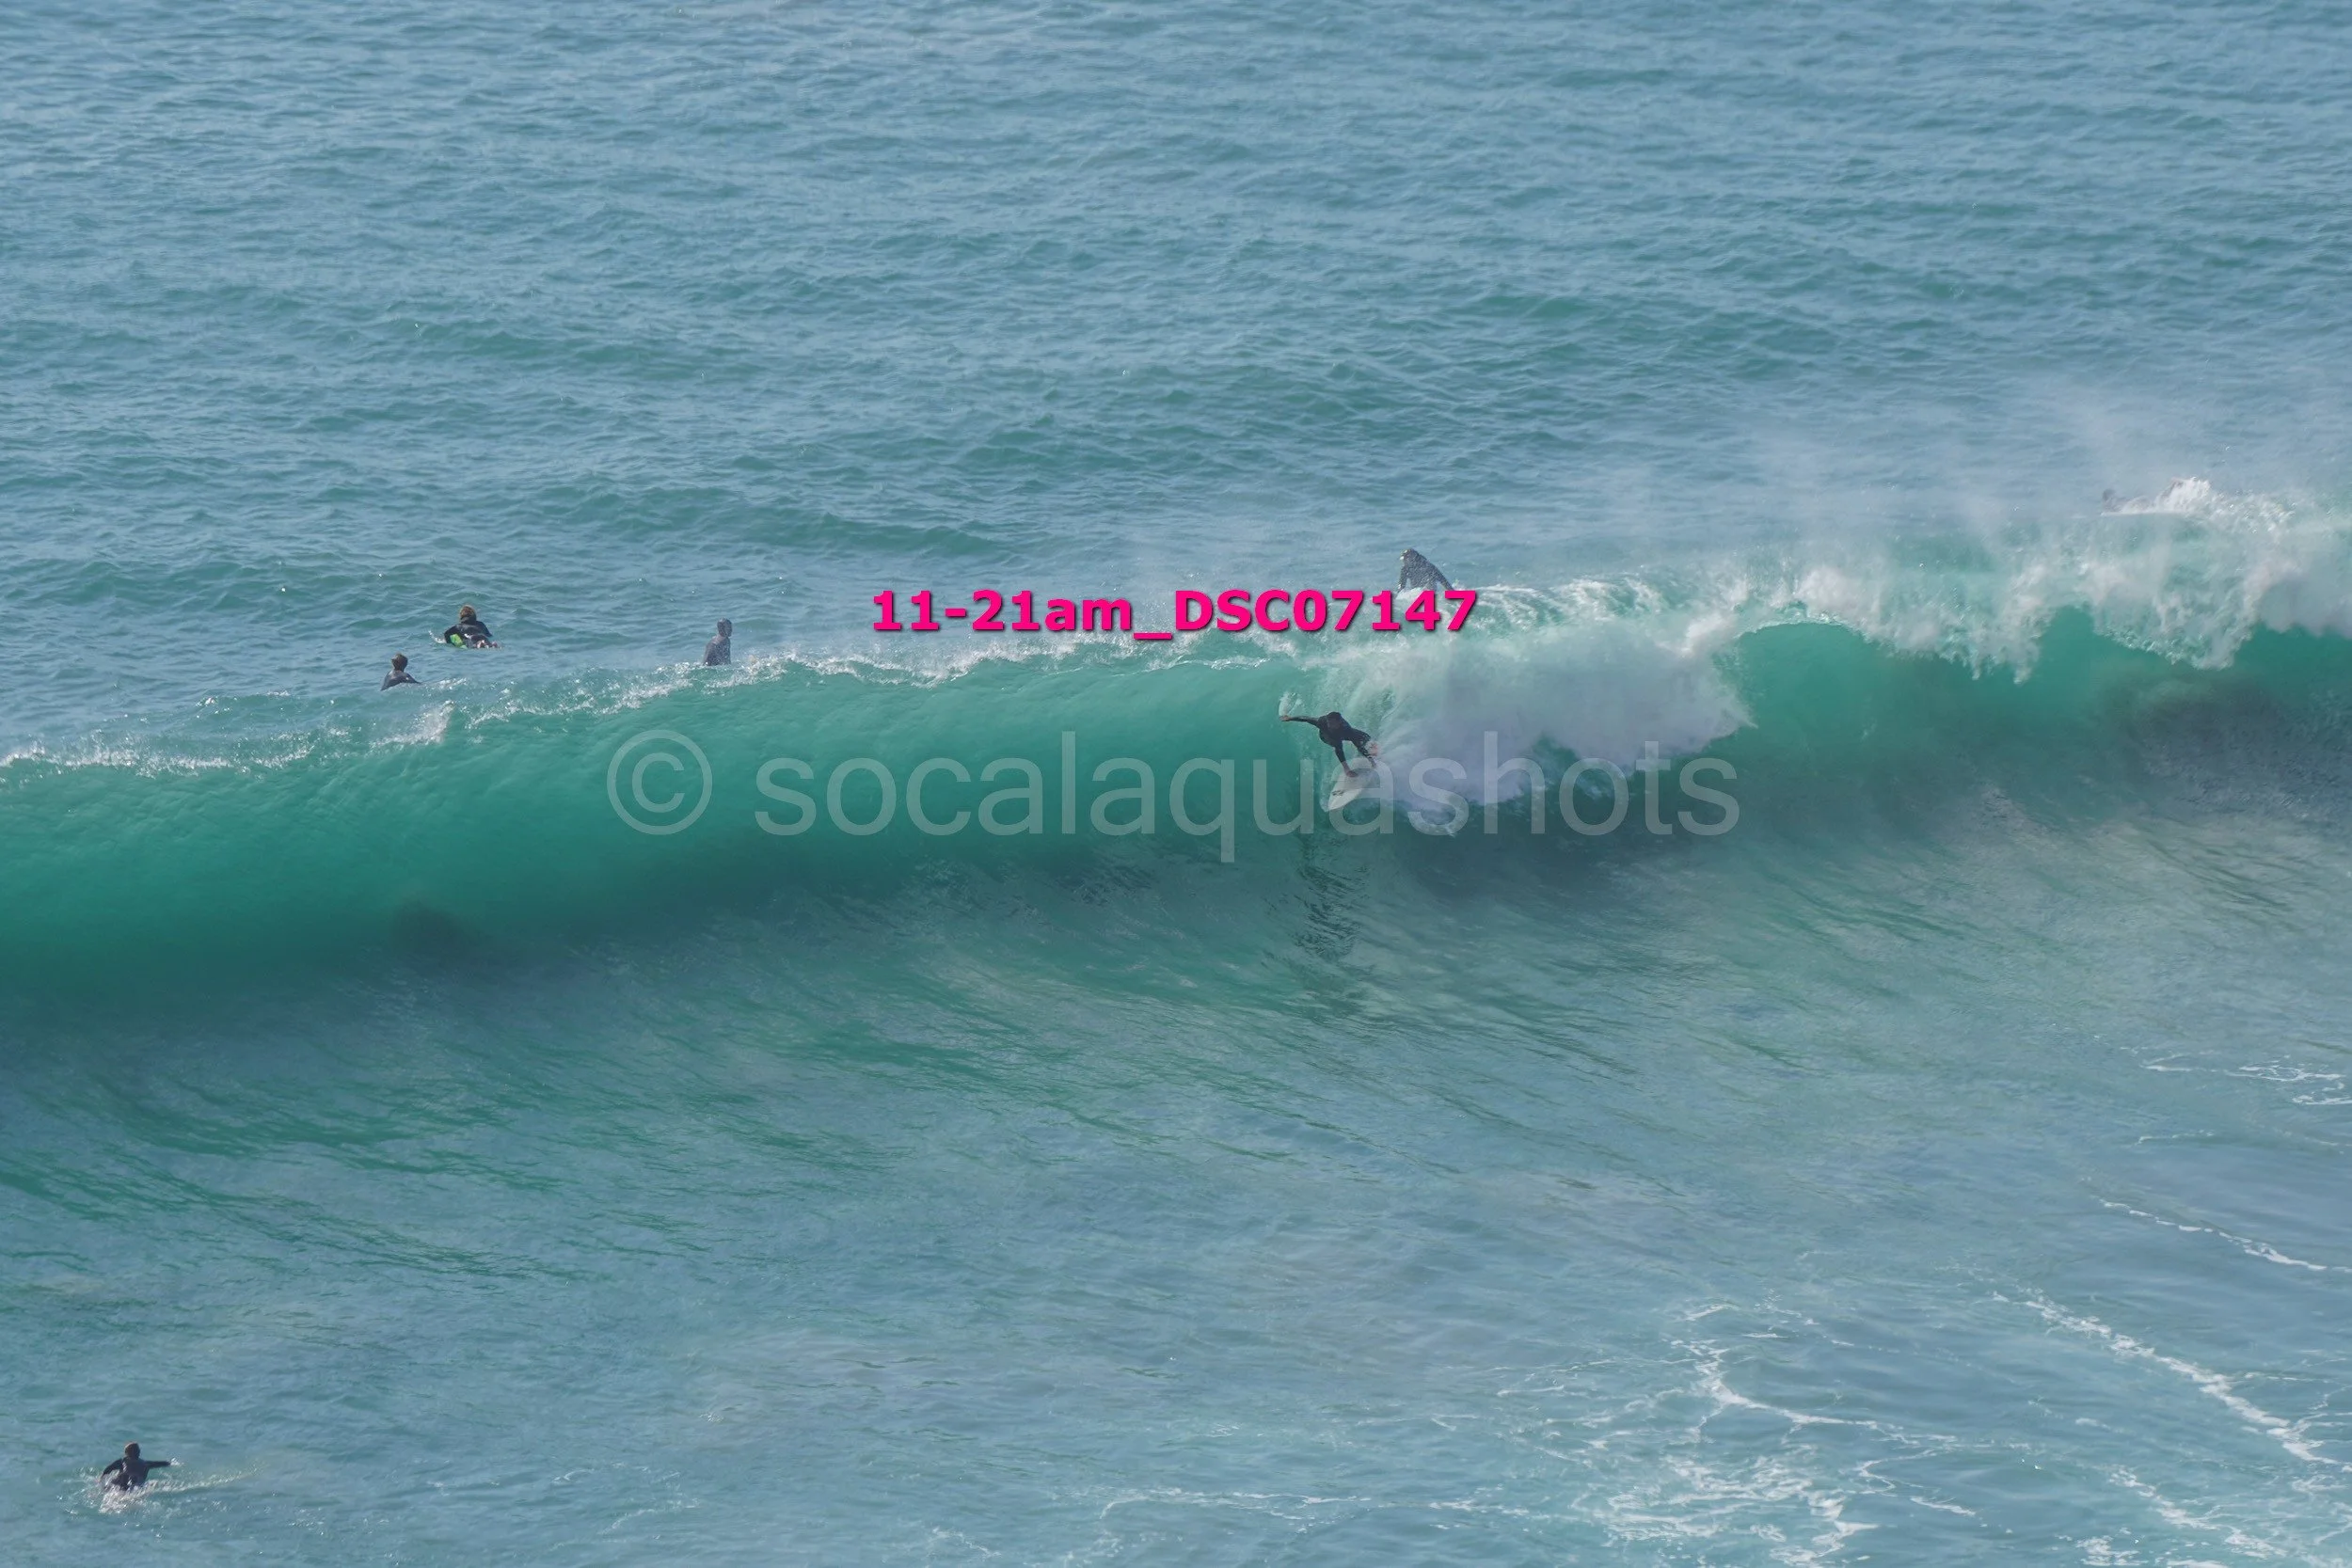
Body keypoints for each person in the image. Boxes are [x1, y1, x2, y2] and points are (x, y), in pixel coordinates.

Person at [1283, 711, 1378, 773]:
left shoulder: (1346, 728)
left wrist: (1371, 761)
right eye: (1329, 722)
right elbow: (1306, 718)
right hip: (1326, 737)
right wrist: (1290, 718)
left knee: (1363, 736)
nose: (1329, 725)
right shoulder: (1322, 721)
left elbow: (1358, 745)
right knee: (1338, 744)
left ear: (1339, 722)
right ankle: (1348, 768)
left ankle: (1370, 753)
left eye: (1332, 723)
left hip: (1342, 734)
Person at [101, 1443, 170, 1492]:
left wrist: (101, 1479)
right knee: (133, 1481)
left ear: (126, 1453)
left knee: (121, 1479)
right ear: (137, 1452)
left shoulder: (121, 1462)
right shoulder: (146, 1464)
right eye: (138, 1449)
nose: (139, 1451)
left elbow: (107, 1470)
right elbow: (163, 1463)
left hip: (122, 1481)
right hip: (136, 1483)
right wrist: (169, 1463)